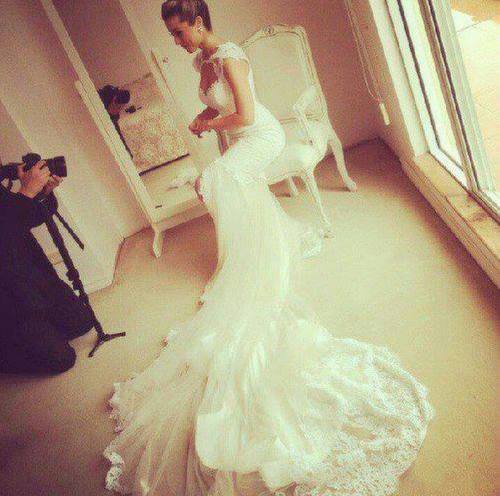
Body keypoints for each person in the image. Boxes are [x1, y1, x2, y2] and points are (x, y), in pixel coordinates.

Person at [103, 2, 434, 495]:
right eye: (171, 34)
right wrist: (204, 114)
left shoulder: (230, 55)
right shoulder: (201, 61)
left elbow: (246, 114)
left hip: (261, 135)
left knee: (216, 179)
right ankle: (249, 250)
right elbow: (221, 109)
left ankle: (257, 257)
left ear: (198, 22)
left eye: (178, 31)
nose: (176, 41)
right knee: (220, 181)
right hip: (239, 137)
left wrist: (211, 125)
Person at [0, 160, 94, 374]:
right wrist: (26, 193)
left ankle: (41, 328)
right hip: (9, 300)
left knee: (82, 323)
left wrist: (41, 193)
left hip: (32, 275)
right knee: (63, 359)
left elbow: (25, 218)